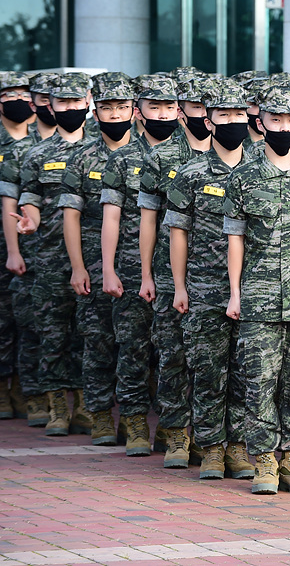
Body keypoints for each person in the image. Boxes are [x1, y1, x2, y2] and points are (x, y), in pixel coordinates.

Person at [223, 86, 290, 495]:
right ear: (260, 125)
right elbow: (236, 239)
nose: (284, 128)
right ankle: (264, 462)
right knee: (259, 380)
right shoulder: (244, 178)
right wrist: (235, 293)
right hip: (259, 296)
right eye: (275, 121)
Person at [165, 81, 256, 480]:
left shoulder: (261, 172)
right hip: (204, 287)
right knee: (207, 371)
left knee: (246, 372)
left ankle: (237, 448)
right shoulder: (190, 174)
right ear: (209, 120)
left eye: (239, 115)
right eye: (224, 116)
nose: (233, 122)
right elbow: (178, 234)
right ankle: (211, 448)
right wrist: (180, 285)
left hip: (256, 288)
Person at [100, 76, 180, 456]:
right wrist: (108, 268)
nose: (161, 114)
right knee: (132, 348)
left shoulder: (190, 157)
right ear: (139, 112)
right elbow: (111, 218)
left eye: (168, 107)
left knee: (173, 351)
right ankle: (133, 423)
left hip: (177, 271)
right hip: (132, 268)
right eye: (154, 107)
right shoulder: (121, 159)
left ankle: (170, 423)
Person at [11, 72, 93, 438]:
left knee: (91, 337)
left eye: (77, 102)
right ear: (51, 107)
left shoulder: (104, 152)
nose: (71, 109)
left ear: (88, 104)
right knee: (53, 334)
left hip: (95, 259)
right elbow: (28, 197)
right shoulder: (38, 154)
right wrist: (29, 221)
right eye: (63, 103)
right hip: (50, 258)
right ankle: (58, 407)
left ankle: (88, 407)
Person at [138, 75, 214, 468]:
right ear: (183, 111)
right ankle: (175, 436)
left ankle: (209, 437)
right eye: (195, 108)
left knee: (213, 362)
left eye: (208, 109)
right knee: (172, 357)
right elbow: (148, 221)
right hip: (173, 277)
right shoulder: (162, 158)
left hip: (221, 279)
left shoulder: (245, 159)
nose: (202, 116)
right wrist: (148, 274)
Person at [58, 73, 134, 446]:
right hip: (92, 257)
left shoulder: (151, 153)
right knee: (98, 339)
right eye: (107, 107)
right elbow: (70, 214)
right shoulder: (82, 156)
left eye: (122, 107)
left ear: (133, 109)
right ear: (94, 108)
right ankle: (101, 415)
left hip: (142, 260)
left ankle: (140, 418)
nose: (116, 115)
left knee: (139, 343)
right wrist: (77, 266)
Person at [0, 72, 38, 421]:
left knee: (26, 318)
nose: (16, 101)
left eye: (21, 94)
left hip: (34, 242)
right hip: (6, 244)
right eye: (8, 94)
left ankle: (23, 389)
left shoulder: (39, 142)